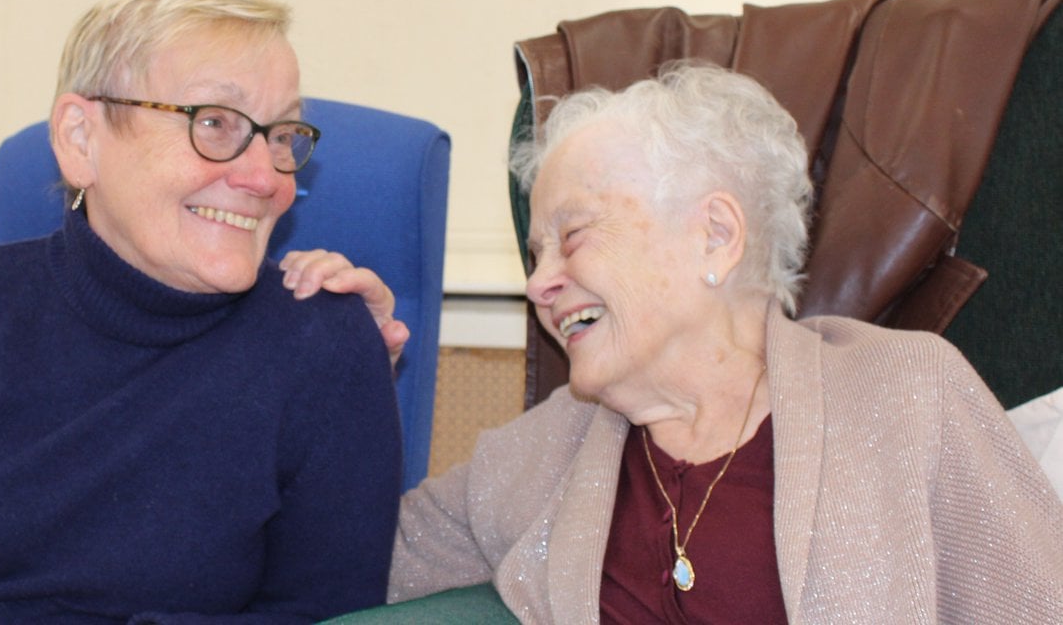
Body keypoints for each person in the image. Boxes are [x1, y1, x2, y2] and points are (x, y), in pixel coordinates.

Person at [382, 62, 1063, 623]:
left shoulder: (905, 395)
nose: (539, 285)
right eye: (533, 255)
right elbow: (338, 562)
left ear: (715, 235)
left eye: (571, 237)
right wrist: (349, 364)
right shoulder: (535, 455)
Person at [0, 0, 408, 624]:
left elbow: (326, 618)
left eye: (283, 135)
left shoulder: (322, 341)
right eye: (214, 122)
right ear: (80, 139)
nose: (265, 177)